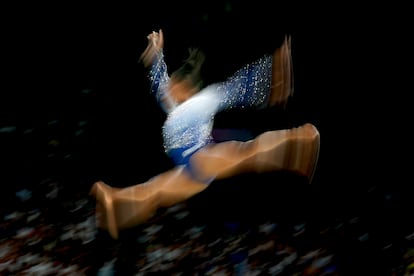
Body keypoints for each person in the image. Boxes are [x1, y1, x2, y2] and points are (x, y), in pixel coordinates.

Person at [90, 29, 320, 239]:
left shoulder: (203, 99)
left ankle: (298, 136)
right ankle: (113, 197)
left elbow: (237, 88)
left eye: (175, 85)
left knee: (248, 152)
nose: (169, 88)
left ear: (187, 88)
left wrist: (275, 73)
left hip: (200, 158)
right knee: (154, 193)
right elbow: (159, 80)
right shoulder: (172, 104)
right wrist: (156, 52)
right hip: (191, 171)